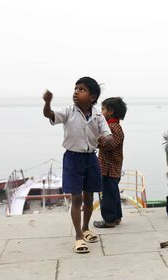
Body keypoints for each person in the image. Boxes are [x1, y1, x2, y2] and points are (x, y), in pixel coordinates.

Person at [43, 76, 112, 253]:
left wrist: (107, 139)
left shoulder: (97, 115)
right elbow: (49, 115)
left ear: (92, 97)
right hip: (73, 159)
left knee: (89, 197)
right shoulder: (68, 111)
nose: (76, 92)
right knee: (77, 198)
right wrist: (47, 103)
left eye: (82, 89)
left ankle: (86, 227)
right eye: (75, 88)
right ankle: (78, 237)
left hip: (91, 158)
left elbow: (107, 134)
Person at [93, 97, 127, 228]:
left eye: (103, 109)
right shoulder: (114, 126)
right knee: (113, 194)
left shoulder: (113, 127)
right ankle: (116, 217)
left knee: (106, 195)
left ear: (111, 111)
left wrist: (96, 139)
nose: (101, 112)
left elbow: (109, 144)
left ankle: (109, 220)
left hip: (108, 168)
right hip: (112, 168)